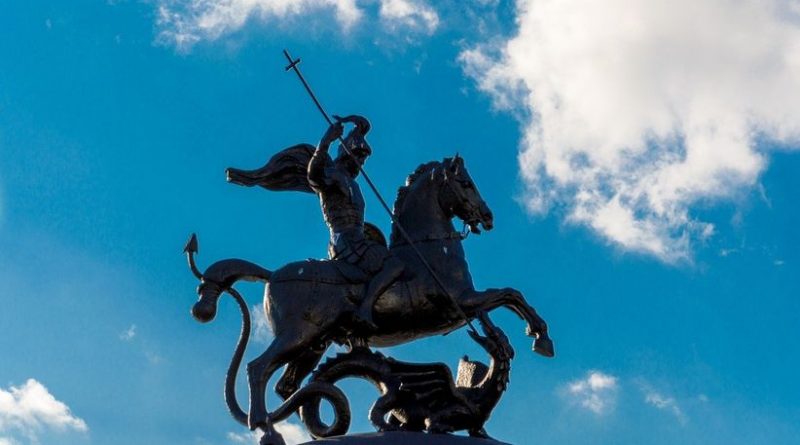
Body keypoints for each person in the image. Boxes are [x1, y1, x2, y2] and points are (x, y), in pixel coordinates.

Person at [307, 115, 404, 331]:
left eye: (363, 160)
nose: (361, 163)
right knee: (394, 265)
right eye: (359, 158)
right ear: (347, 154)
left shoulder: (352, 183)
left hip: (358, 239)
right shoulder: (332, 175)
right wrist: (326, 141)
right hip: (346, 242)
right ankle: (365, 308)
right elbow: (314, 176)